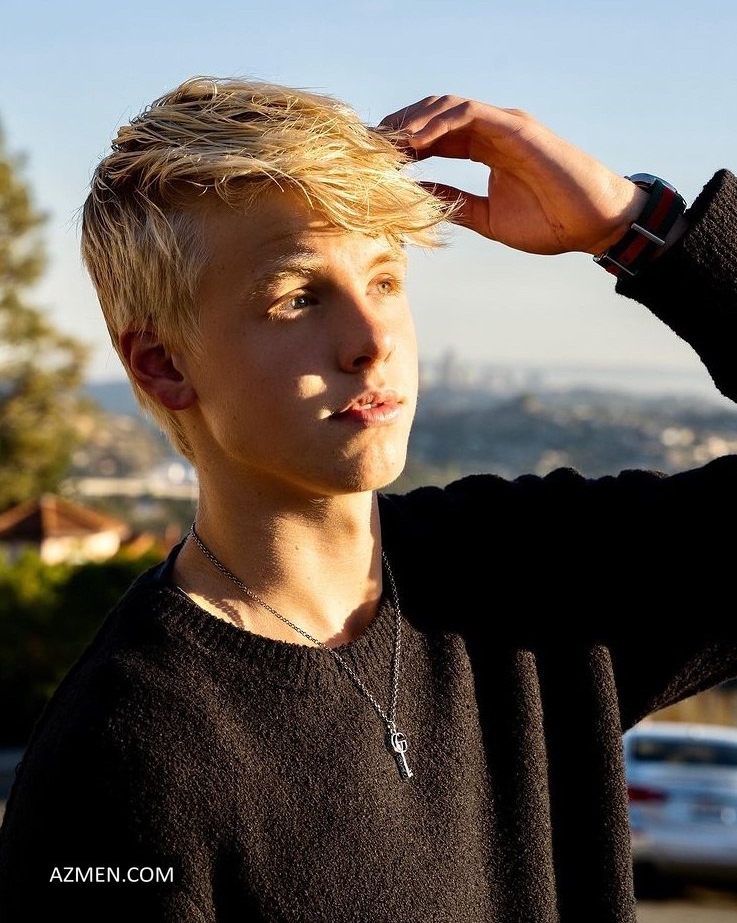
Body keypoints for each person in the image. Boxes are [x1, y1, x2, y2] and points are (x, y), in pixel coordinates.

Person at [1, 76, 736, 923]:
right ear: (163, 364)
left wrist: (637, 228)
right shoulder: (122, 757)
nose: (372, 339)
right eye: (297, 297)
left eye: (385, 281)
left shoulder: (527, 577)